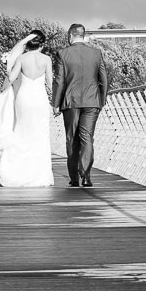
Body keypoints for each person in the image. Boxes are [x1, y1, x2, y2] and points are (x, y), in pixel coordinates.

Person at [0, 30, 54, 187]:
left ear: (28, 44)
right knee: (40, 136)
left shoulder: (21, 58)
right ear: (42, 45)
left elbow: (11, 77)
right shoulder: (46, 59)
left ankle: (17, 172)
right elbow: (50, 83)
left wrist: (9, 65)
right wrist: (56, 103)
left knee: (22, 133)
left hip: (24, 99)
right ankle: (39, 176)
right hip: (40, 100)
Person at [52, 23, 108, 187]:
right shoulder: (96, 53)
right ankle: (86, 176)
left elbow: (59, 81)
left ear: (70, 36)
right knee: (87, 138)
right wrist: (101, 101)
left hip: (71, 102)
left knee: (72, 139)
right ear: (83, 36)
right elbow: (103, 79)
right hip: (92, 102)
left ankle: (74, 178)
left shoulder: (63, 54)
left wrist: (55, 103)